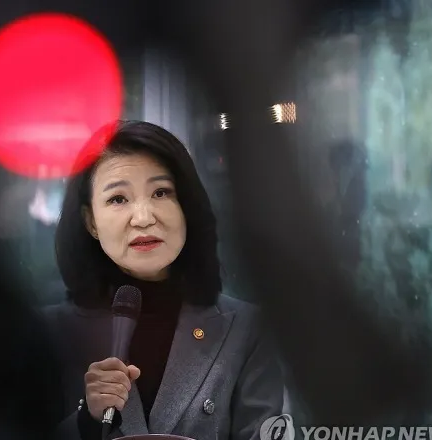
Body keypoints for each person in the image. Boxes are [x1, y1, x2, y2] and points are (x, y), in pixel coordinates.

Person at [46, 120, 284, 440]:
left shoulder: (246, 329)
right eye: (118, 198)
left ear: (186, 206)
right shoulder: (46, 334)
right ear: (91, 221)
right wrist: (85, 421)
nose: (144, 218)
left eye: (161, 192)